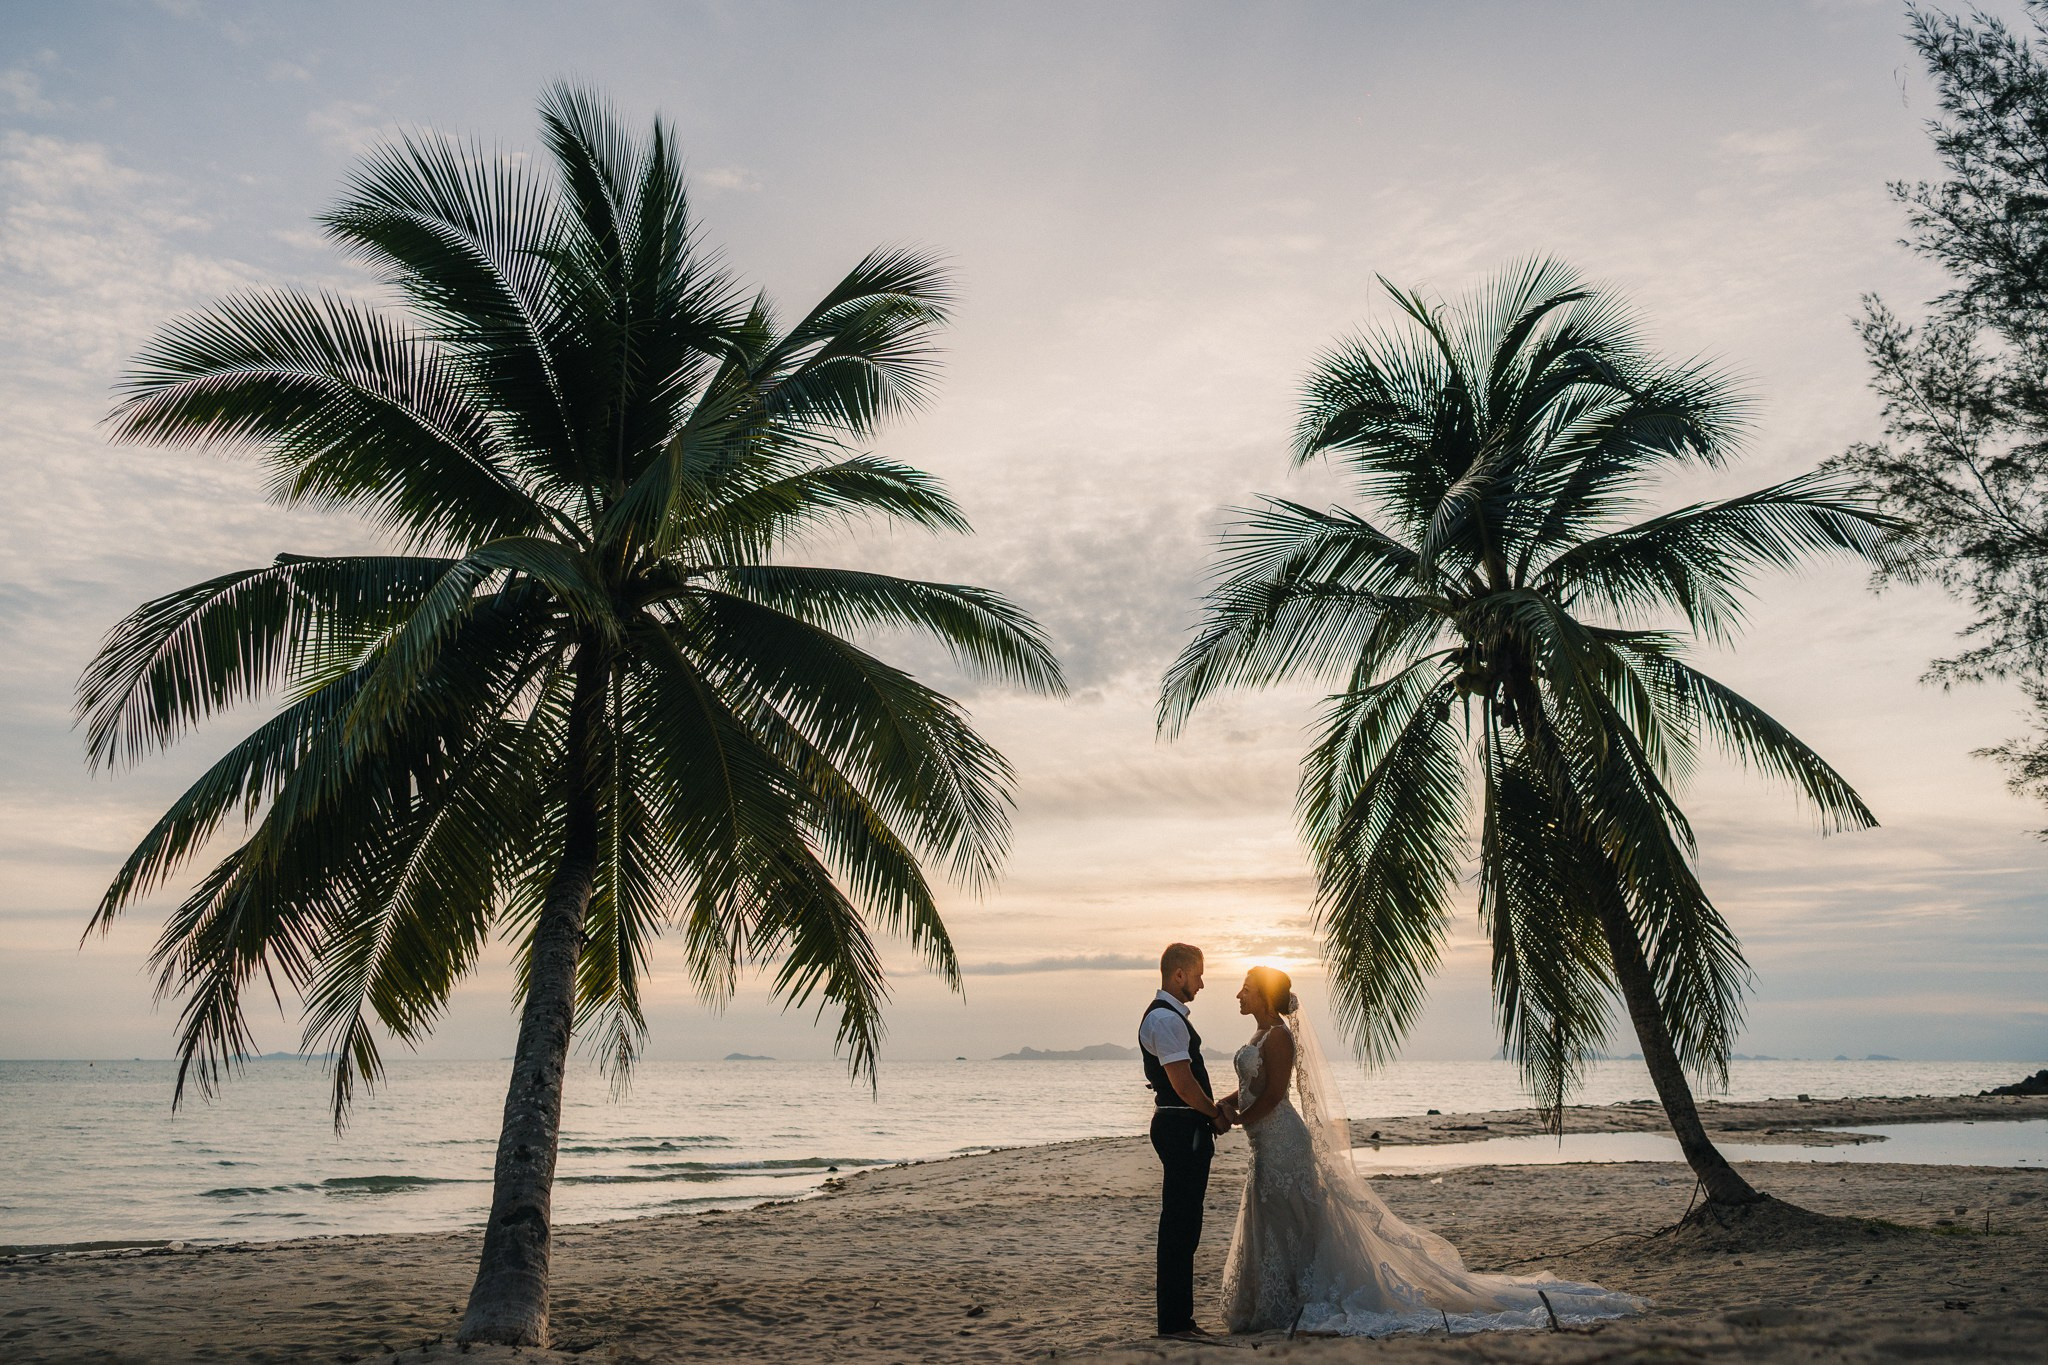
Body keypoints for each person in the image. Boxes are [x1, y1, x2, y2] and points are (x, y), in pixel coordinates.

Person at [1216, 965, 1646, 1336]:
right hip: (1263, 1141)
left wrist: (1236, 1119)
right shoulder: (1259, 1032)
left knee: (1290, 1219)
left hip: (1284, 1142)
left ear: (1264, 995)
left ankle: (1293, 1302)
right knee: (1271, 1219)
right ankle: (1273, 1302)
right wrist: (1227, 1103)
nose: (1238, 994)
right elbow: (1252, 1087)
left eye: (1246, 988)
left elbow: (1275, 1095)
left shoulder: (1279, 1036)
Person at [1137, 942, 1230, 1339]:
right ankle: (1175, 1323)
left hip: (1181, 1125)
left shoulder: (1169, 1017)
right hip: (1180, 1127)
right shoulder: (1165, 1019)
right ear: (1179, 975)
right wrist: (1213, 1113)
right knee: (1180, 1224)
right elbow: (1183, 1083)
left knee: (1185, 1222)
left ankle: (1179, 1320)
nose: (1202, 984)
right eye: (1198, 975)